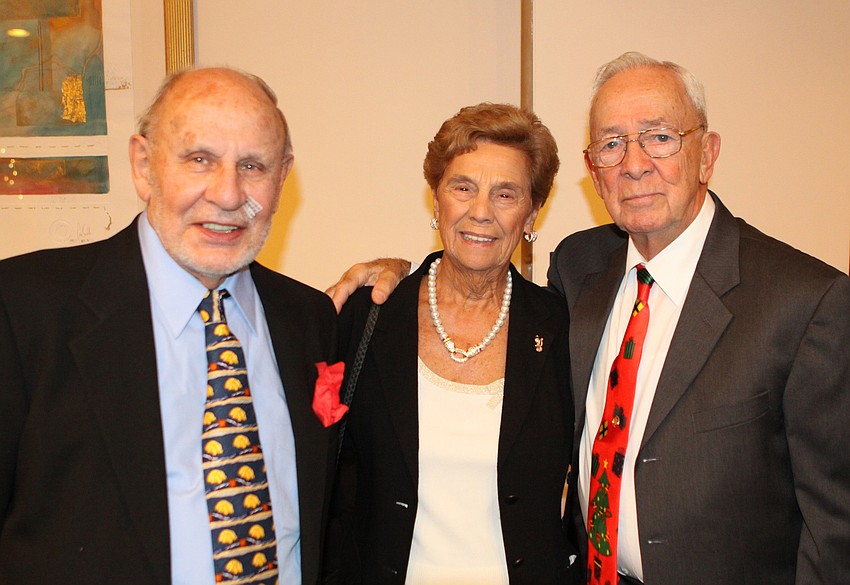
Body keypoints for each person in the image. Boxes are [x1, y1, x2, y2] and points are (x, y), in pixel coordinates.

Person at [326, 52, 850, 585]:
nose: (635, 163)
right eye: (612, 144)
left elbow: (837, 527)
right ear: (595, 171)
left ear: (707, 154)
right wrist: (393, 270)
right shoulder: (580, 274)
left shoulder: (805, 301)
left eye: (660, 137)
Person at [0, 67, 339, 585]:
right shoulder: (24, 308)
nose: (228, 195)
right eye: (200, 159)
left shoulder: (311, 320)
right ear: (143, 165)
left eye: (253, 165)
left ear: (282, 177)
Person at [324, 103, 577, 585]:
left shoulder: (564, 328)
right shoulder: (369, 317)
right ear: (436, 199)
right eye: (463, 187)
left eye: (505, 194)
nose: (480, 212)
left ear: (531, 214)